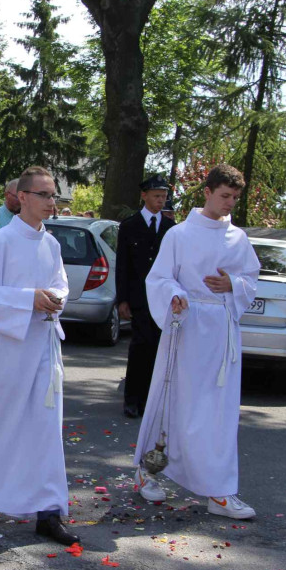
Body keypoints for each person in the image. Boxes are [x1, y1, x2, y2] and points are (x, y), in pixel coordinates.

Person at [0, 165, 79, 546]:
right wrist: (27, 300)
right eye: (44, 195)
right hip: (6, 347)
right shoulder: (0, 242)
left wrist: (55, 300)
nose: (51, 202)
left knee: (45, 429)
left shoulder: (52, 244)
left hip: (42, 344)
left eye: (53, 195)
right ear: (22, 197)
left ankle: (48, 511)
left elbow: (61, 286)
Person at [132, 164, 260, 519]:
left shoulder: (239, 238)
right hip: (186, 326)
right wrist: (174, 294)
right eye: (224, 196)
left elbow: (251, 279)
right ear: (207, 192)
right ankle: (147, 470)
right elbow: (158, 278)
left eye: (235, 198)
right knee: (172, 400)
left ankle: (218, 491)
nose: (229, 203)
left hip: (221, 331)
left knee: (218, 412)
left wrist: (233, 285)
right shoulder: (180, 235)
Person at [116, 174, 176, 418]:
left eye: (163, 197)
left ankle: (152, 400)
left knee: (158, 350)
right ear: (144, 196)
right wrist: (122, 299)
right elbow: (123, 266)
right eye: (156, 196)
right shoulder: (130, 226)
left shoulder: (171, 229)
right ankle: (132, 400)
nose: (160, 201)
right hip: (139, 298)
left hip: (162, 298)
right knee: (139, 348)